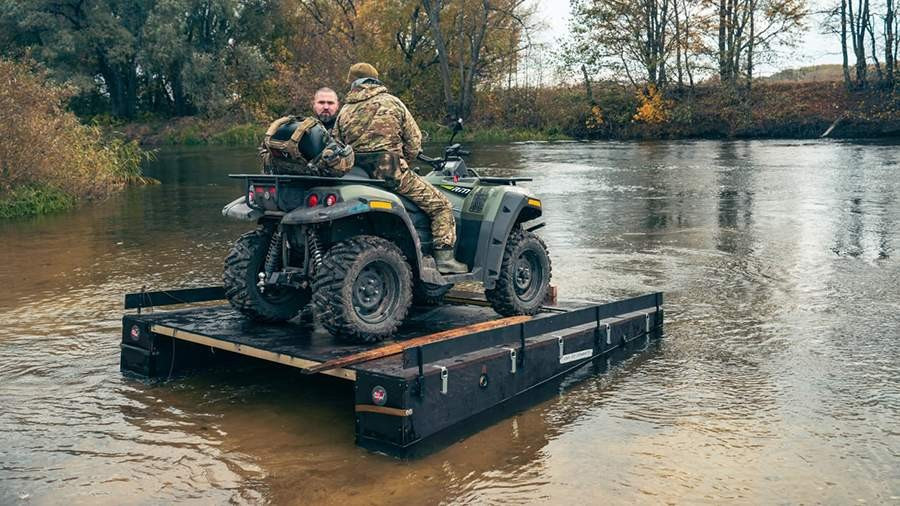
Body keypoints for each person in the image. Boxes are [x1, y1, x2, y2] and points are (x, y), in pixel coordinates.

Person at [333, 63, 467, 274]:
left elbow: (338, 147)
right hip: (391, 172)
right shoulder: (392, 103)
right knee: (441, 205)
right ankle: (445, 259)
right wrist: (406, 160)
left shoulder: (344, 111)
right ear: (375, 80)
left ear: (353, 83)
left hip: (357, 176)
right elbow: (414, 142)